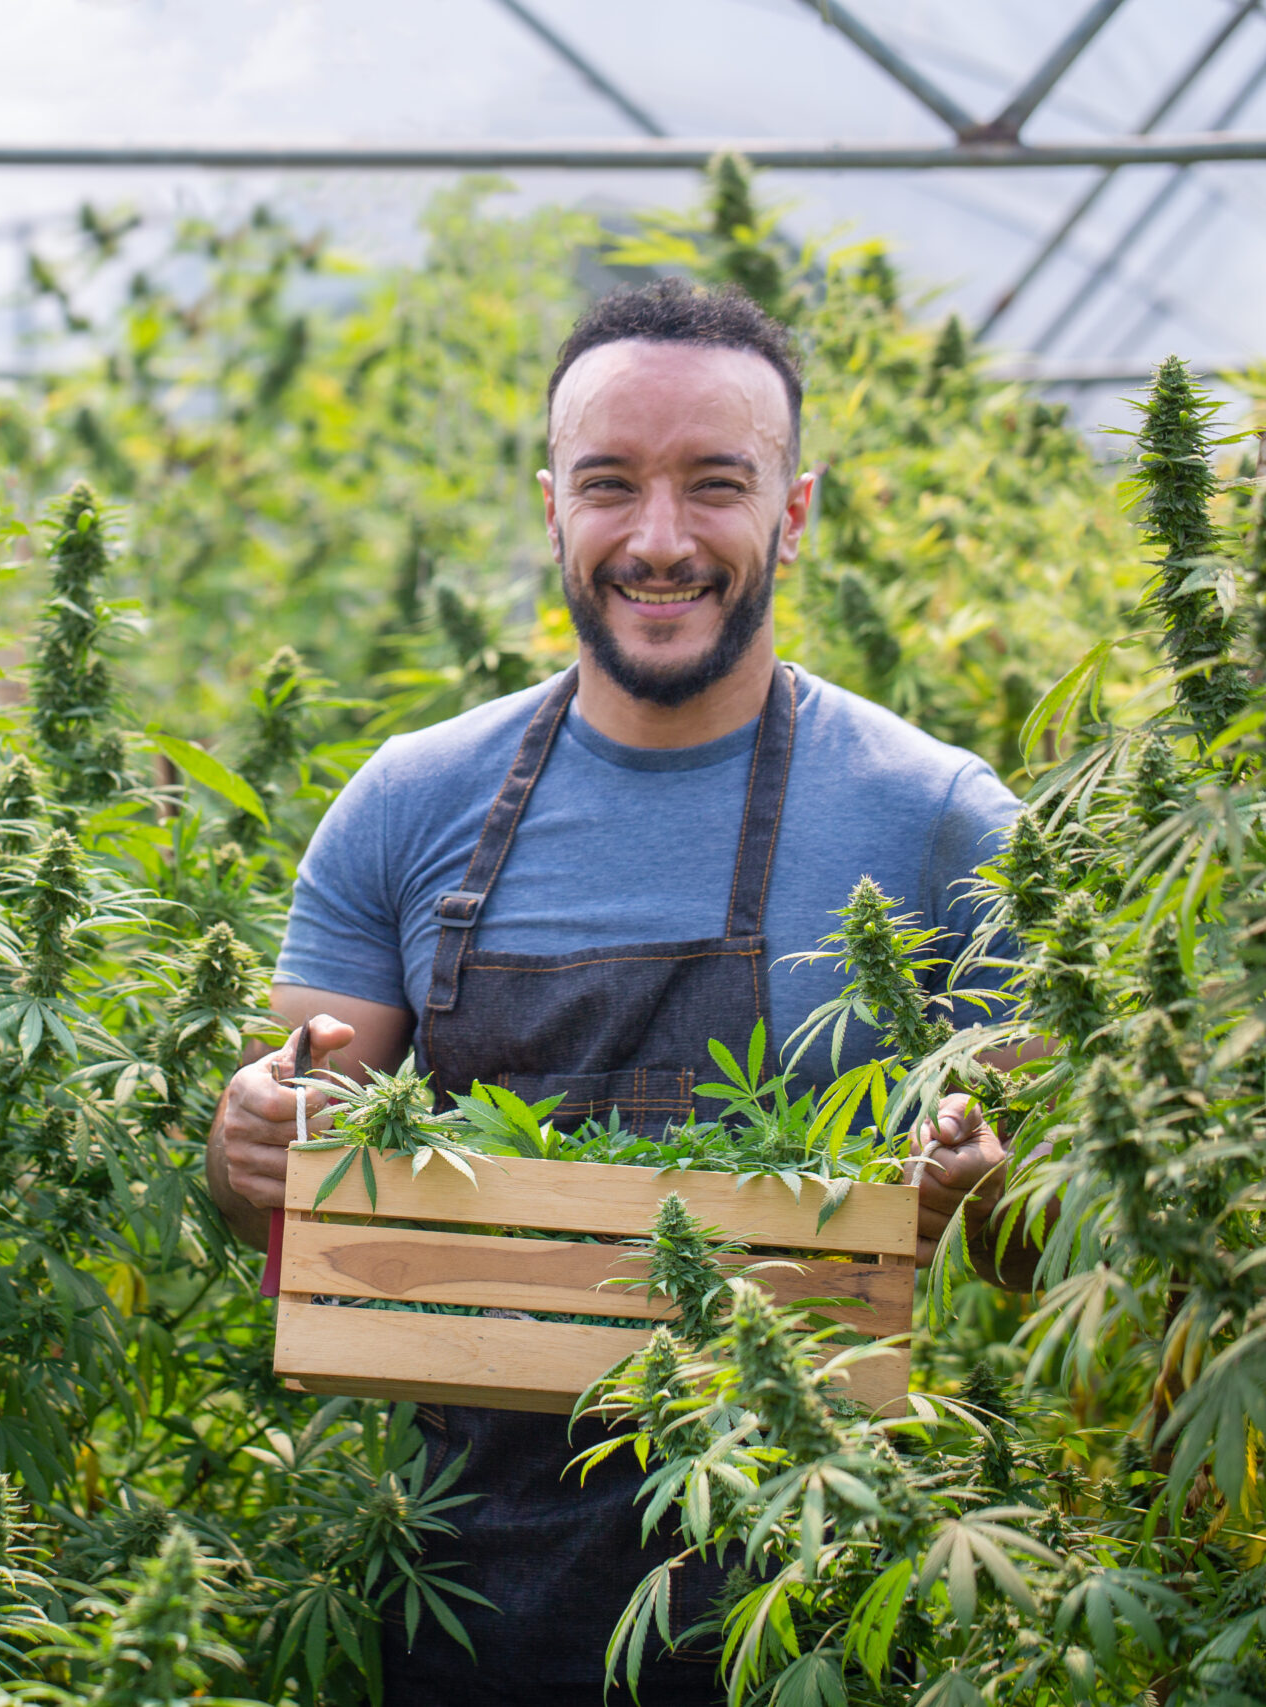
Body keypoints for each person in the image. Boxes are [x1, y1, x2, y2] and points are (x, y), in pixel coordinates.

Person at [206, 278, 1027, 1706]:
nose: (660, 539)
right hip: (460, 1592)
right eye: (610, 485)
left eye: (716, 484)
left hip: (819, 1594)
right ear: (551, 509)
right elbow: (281, 1202)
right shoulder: (408, 804)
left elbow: (1055, 1252)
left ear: (795, 510)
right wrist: (249, 1141)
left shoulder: (939, 821)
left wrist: (984, 1190)